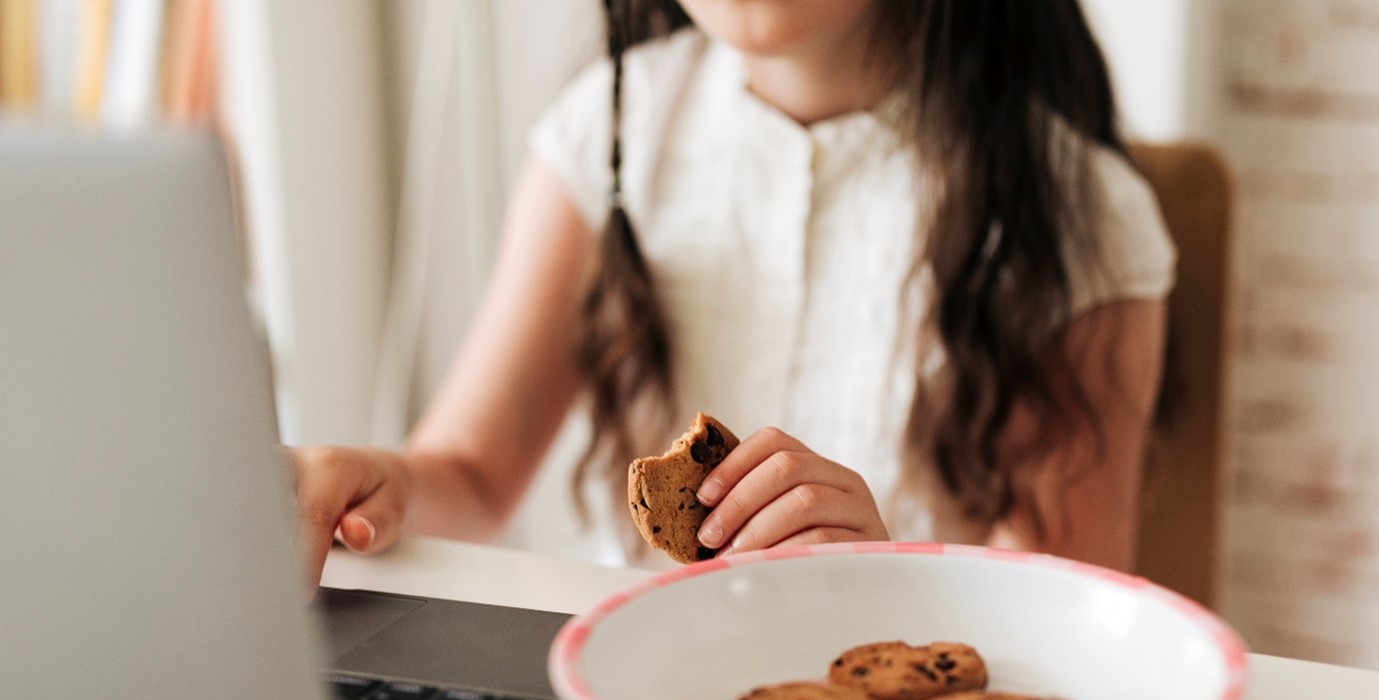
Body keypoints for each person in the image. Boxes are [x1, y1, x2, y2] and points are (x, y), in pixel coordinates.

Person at [290, 0, 1177, 585]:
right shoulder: (601, 136)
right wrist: (379, 484)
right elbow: (472, 477)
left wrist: (887, 593)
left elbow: (1055, 628)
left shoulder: (1081, 220)